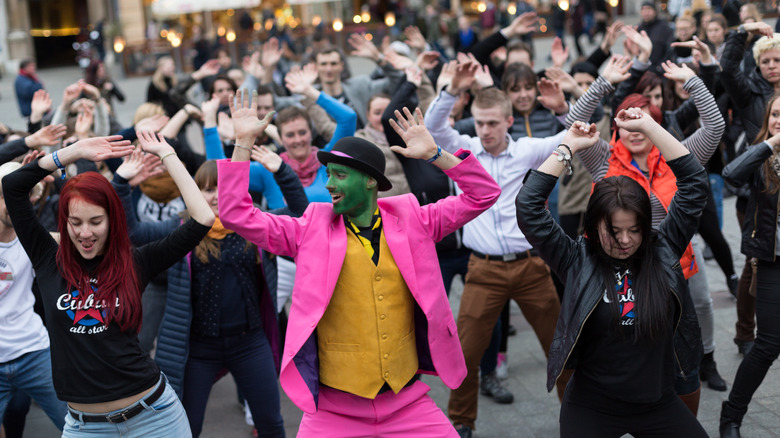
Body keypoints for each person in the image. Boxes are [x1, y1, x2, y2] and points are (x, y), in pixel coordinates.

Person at [217, 90, 500, 437]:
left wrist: (435, 154)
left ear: (370, 181)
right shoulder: (308, 229)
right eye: (328, 174)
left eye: (338, 175)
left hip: (407, 402)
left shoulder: (414, 220)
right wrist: (243, 142)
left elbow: (484, 194)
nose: (328, 183)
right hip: (334, 411)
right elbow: (236, 213)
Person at [2, 133, 215, 437]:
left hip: (154, 415)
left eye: (95, 221)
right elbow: (13, 186)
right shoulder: (47, 258)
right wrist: (73, 152)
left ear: (112, 220)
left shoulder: (137, 261)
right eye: (75, 222)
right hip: (84, 427)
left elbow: (203, 217)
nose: (84, 233)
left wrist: (169, 155)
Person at [516, 109, 709, 438]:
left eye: (634, 230)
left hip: (658, 403)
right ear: (593, 226)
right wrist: (568, 147)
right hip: (593, 406)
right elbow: (529, 206)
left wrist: (649, 126)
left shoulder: (663, 249)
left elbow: (693, 183)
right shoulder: (577, 258)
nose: (624, 241)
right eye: (613, 231)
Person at [424, 61, 570, 437]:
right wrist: (451, 91)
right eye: (479, 122)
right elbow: (433, 129)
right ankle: (462, 422)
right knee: (466, 353)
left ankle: (578, 416)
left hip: (530, 267)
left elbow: (573, 136)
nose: (484, 130)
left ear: (508, 121)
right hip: (483, 270)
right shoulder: (464, 149)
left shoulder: (526, 150)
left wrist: (562, 109)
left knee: (562, 349)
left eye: (492, 123)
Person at [567, 56, 728, 396]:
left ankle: (705, 360)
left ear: (654, 124)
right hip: (623, 262)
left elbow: (715, 127)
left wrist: (692, 81)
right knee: (636, 324)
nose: (633, 131)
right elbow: (574, 122)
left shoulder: (678, 153)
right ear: (616, 128)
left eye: (641, 121)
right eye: (625, 122)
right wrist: (603, 81)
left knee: (696, 309)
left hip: (676, 254)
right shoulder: (603, 159)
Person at [719, 93, 780, 438]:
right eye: (775, 115)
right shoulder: (761, 157)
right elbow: (731, 174)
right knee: (768, 343)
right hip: (773, 261)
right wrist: (770, 144)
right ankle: (732, 415)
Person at [0, 159, 68, 434]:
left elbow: (82, 231)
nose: (10, 203)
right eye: (2, 196)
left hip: (35, 352)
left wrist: (57, 173)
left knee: (79, 424)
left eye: (17, 195)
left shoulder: (35, 241)